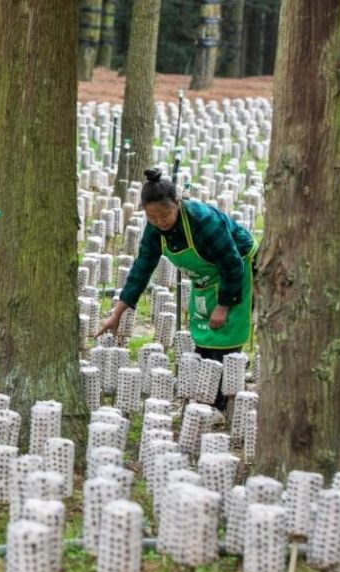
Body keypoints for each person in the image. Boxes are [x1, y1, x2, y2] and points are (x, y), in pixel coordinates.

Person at [97, 168, 257, 411]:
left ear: (178, 204)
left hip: (236, 267)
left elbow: (232, 263)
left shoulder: (203, 222)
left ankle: (222, 402)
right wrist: (117, 313)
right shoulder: (155, 230)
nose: (159, 222)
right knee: (203, 332)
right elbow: (142, 267)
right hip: (204, 276)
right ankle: (208, 397)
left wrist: (224, 305)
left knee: (225, 334)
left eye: (165, 216)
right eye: (152, 217)